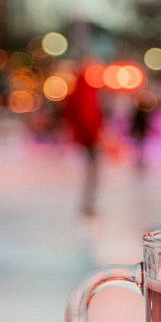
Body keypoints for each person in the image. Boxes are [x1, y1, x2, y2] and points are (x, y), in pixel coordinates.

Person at [61, 65, 104, 217]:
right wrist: (95, 136)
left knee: (92, 173)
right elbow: (88, 116)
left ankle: (88, 204)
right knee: (93, 173)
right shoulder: (86, 92)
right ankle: (88, 206)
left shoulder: (78, 92)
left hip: (86, 138)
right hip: (89, 139)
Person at [128, 91, 156, 171]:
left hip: (141, 132)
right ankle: (139, 160)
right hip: (140, 132)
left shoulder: (141, 112)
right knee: (140, 147)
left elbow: (141, 123)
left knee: (140, 147)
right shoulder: (141, 113)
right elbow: (138, 123)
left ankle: (140, 160)